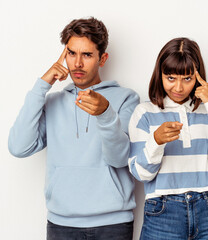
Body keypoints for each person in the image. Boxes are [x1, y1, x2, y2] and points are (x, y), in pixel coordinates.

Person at [8, 17, 139, 240]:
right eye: (71, 53)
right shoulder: (53, 102)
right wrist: (43, 84)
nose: (77, 63)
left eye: (87, 55)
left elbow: (119, 158)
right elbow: (19, 147)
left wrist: (105, 114)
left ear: (102, 58)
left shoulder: (126, 99)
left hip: (113, 224)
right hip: (61, 223)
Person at [128, 37, 208, 240]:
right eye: (171, 78)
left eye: (187, 79)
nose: (178, 88)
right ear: (159, 75)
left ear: (198, 77)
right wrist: (156, 142)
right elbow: (141, 174)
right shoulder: (144, 113)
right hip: (163, 213)